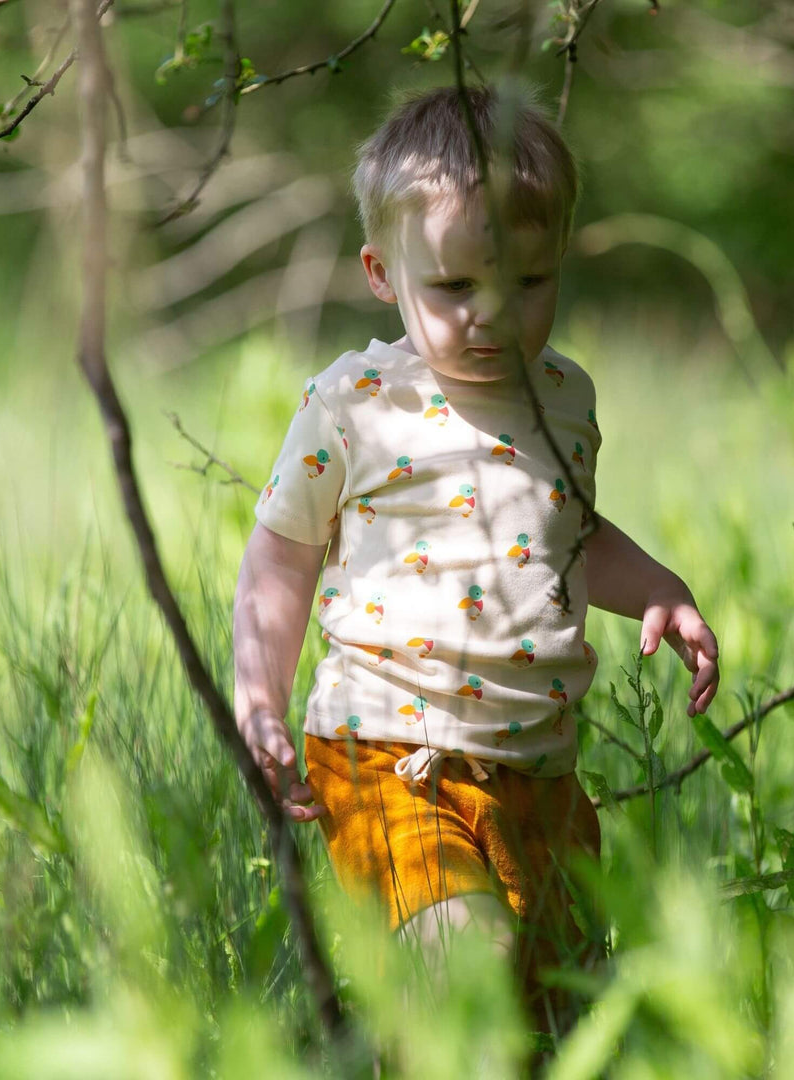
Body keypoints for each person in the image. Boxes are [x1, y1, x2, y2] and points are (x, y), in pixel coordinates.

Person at [232, 82, 720, 1035]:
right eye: (455, 289)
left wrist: (660, 588)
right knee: (468, 967)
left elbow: (565, 532)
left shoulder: (564, 397)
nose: (490, 314)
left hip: (538, 771)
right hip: (387, 755)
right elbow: (281, 558)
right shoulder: (357, 403)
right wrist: (259, 700)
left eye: (526, 283)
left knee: (553, 1015)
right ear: (382, 271)